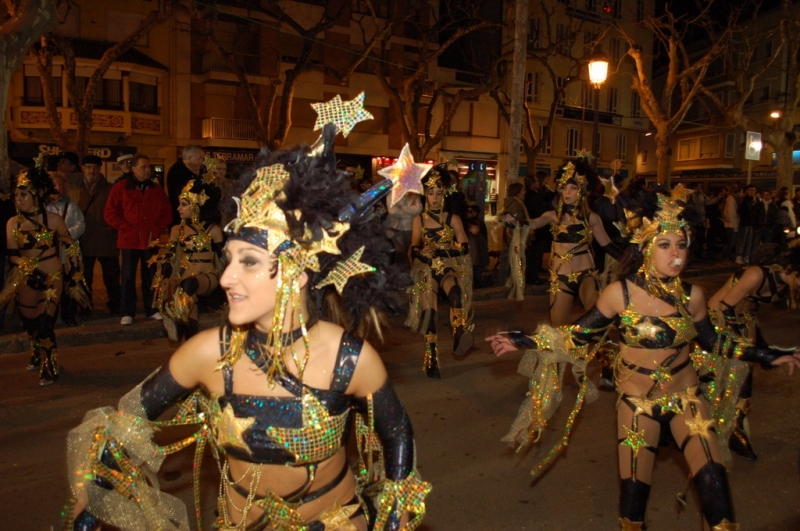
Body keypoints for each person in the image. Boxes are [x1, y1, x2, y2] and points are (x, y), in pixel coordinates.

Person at [62, 124, 430, 531]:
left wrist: (395, 513)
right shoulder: (208, 353)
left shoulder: (349, 359)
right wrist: (93, 503)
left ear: (297, 272)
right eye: (230, 259)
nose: (226, 278)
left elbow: (397, 433)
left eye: (249, 262)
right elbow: (125, 425)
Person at [487, 189, 800, 531]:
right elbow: (577, 335)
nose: (676, 254)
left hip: (686, 401)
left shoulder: (692, 297)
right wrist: (522, 339)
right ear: (647, 248)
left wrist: (770, 354)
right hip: (637, 406)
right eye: (665, 245)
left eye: (681, 245)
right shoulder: (620, 294)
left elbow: (715, 342)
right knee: (633, 504)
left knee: (715, 489)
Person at [707, 242, 800, 460]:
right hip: (719, 318)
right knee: (728, 374)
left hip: (746, 320)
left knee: (746, 374)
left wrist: (760, 347)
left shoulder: (786, 284)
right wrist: (742, 345)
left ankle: (735, 424)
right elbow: (725, 306)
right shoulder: (756, 274)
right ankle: (718, 428)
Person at [507, 158, 623, 327]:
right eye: (565, 188)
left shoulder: (591, 218)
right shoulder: (553, 216)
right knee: (558, 327)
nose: (567, 192)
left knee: (597, 321)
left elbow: (607, 245)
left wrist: (634, 260)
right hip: (561, 277)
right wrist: (515, 222)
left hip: (586, 275)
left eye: (573, 188)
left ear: (582, 191)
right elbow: (535, 223)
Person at [1, 166, 88, 386]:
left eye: (24, 194)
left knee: (45, 323)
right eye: (17, 194)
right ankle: (36, 350)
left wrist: (74, 268)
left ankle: (50, 365)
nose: (19, 199)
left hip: (52, 275)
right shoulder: (12, 223)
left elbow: (70, 246)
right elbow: (13, 256)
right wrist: (25, 265)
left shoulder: (54, 220)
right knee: (30, 323)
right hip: (26, 277)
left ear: (37, 194)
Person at [406, 164, 474, 379]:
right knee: (430, 314)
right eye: (430, 193)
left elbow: (464, 246)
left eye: (438, 193)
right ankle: (431, 356)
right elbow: (414, 246)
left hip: (447, 265)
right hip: (426, 269)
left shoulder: (452, 218)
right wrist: (421, 253)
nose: (434, 198)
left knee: (455, 294)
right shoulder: (418, 220)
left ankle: (459, 332)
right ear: (425, 195)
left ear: (444, 194)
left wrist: (444, 251)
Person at [151, 179, 224, 342]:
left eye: (184, 204)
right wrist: (165, 276)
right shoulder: (177, 230)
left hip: (208, 276)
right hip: (184, 276)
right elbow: (170, 255)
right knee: (191, 319)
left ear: (197, 205)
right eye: (179, 204)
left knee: (189, 284)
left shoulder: (214, 230)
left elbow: (224, 259)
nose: (178, 208)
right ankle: (188, 345)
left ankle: (176, 318)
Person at [104, 153, 172, 325]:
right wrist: (125, 226)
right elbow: (110, 212)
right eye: (143, 167)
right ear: (133, 169)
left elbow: (167, 212)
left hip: (151, 240)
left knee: (151, 276)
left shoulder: (156, 189)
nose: (147, 170)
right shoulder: (121, 188)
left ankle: (152, 308)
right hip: (129, 241)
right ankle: (127, 311)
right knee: (128, 277)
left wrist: (157, 227)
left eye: (149, 167)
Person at [69, 154, 121, 316]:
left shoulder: (110, 189)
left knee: (111, 277)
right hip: (84, 238)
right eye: (88, 167)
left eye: (95, 167)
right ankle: (86, 306)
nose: (91, 171)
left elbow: (118, 211)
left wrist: (111, 229)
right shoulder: (75, 190)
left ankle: (115, 306)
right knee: (85, 277)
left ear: (100, 169)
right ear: (83, 168)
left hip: (107, 238)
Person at [46, 171, 86, 326]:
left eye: (60, 184)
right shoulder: (43, 207)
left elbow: (80, 225)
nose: (57, 187)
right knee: (52, 283)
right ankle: (50, 315)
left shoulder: (72, 206)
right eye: (54, 184)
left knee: (70, 282)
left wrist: (66, 235)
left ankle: (69, 315)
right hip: (50, 252)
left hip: (68, 251)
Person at [500, 181, 529, 300]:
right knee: (517, 262)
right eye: (523, 190)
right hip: (516, 238)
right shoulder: (516, 204)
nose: (525, 192)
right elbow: (515, 221)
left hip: (516, 237)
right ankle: (517, 289)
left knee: (517, 262)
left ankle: (516, 286)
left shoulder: (515, 203)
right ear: (518, 192)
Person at [166, 145, 205, 226]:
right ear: (189, 158)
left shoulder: (200, 171)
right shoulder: (176, 172)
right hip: (181, 219)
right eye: (200, 158)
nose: (202, 161)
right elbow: (182, 194)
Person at [383, 192, 422, 270]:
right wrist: (410, 213)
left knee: (411, 253)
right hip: (396, 228)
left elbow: (419, 208)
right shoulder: (392, 194)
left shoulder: (414, 194)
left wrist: (403, 208)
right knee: (401, 254)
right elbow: (393, 211)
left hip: (411, 227)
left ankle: (412, 271)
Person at [735, 185, 756, 264]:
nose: (751, 192)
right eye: (750, 190)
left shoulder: (754, 200)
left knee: (749, 241)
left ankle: (746, 255)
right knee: (742, 240)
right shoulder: (743, 200)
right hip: (744, 223)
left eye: (753, 190)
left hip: (750, 223)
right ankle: (739, 255)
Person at [467, 218, 489, 288]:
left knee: (478, 275)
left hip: (480, 260)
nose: (475, 230)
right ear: (470, 229)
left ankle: (478, 286)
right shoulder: (468, 239)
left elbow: (484, 250)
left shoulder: (481, 238)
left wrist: (486, 261)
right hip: (472, 260)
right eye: (473, 228)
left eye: (477, 228)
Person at [721, 185, 739, 261]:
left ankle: (725, 256)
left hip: (728, 224)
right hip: (731, 225)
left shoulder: (729, 199)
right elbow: (732, 213)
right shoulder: (731, 200)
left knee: (730, 242)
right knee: (731, 242)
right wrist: (735, 226)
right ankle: (724, 256)